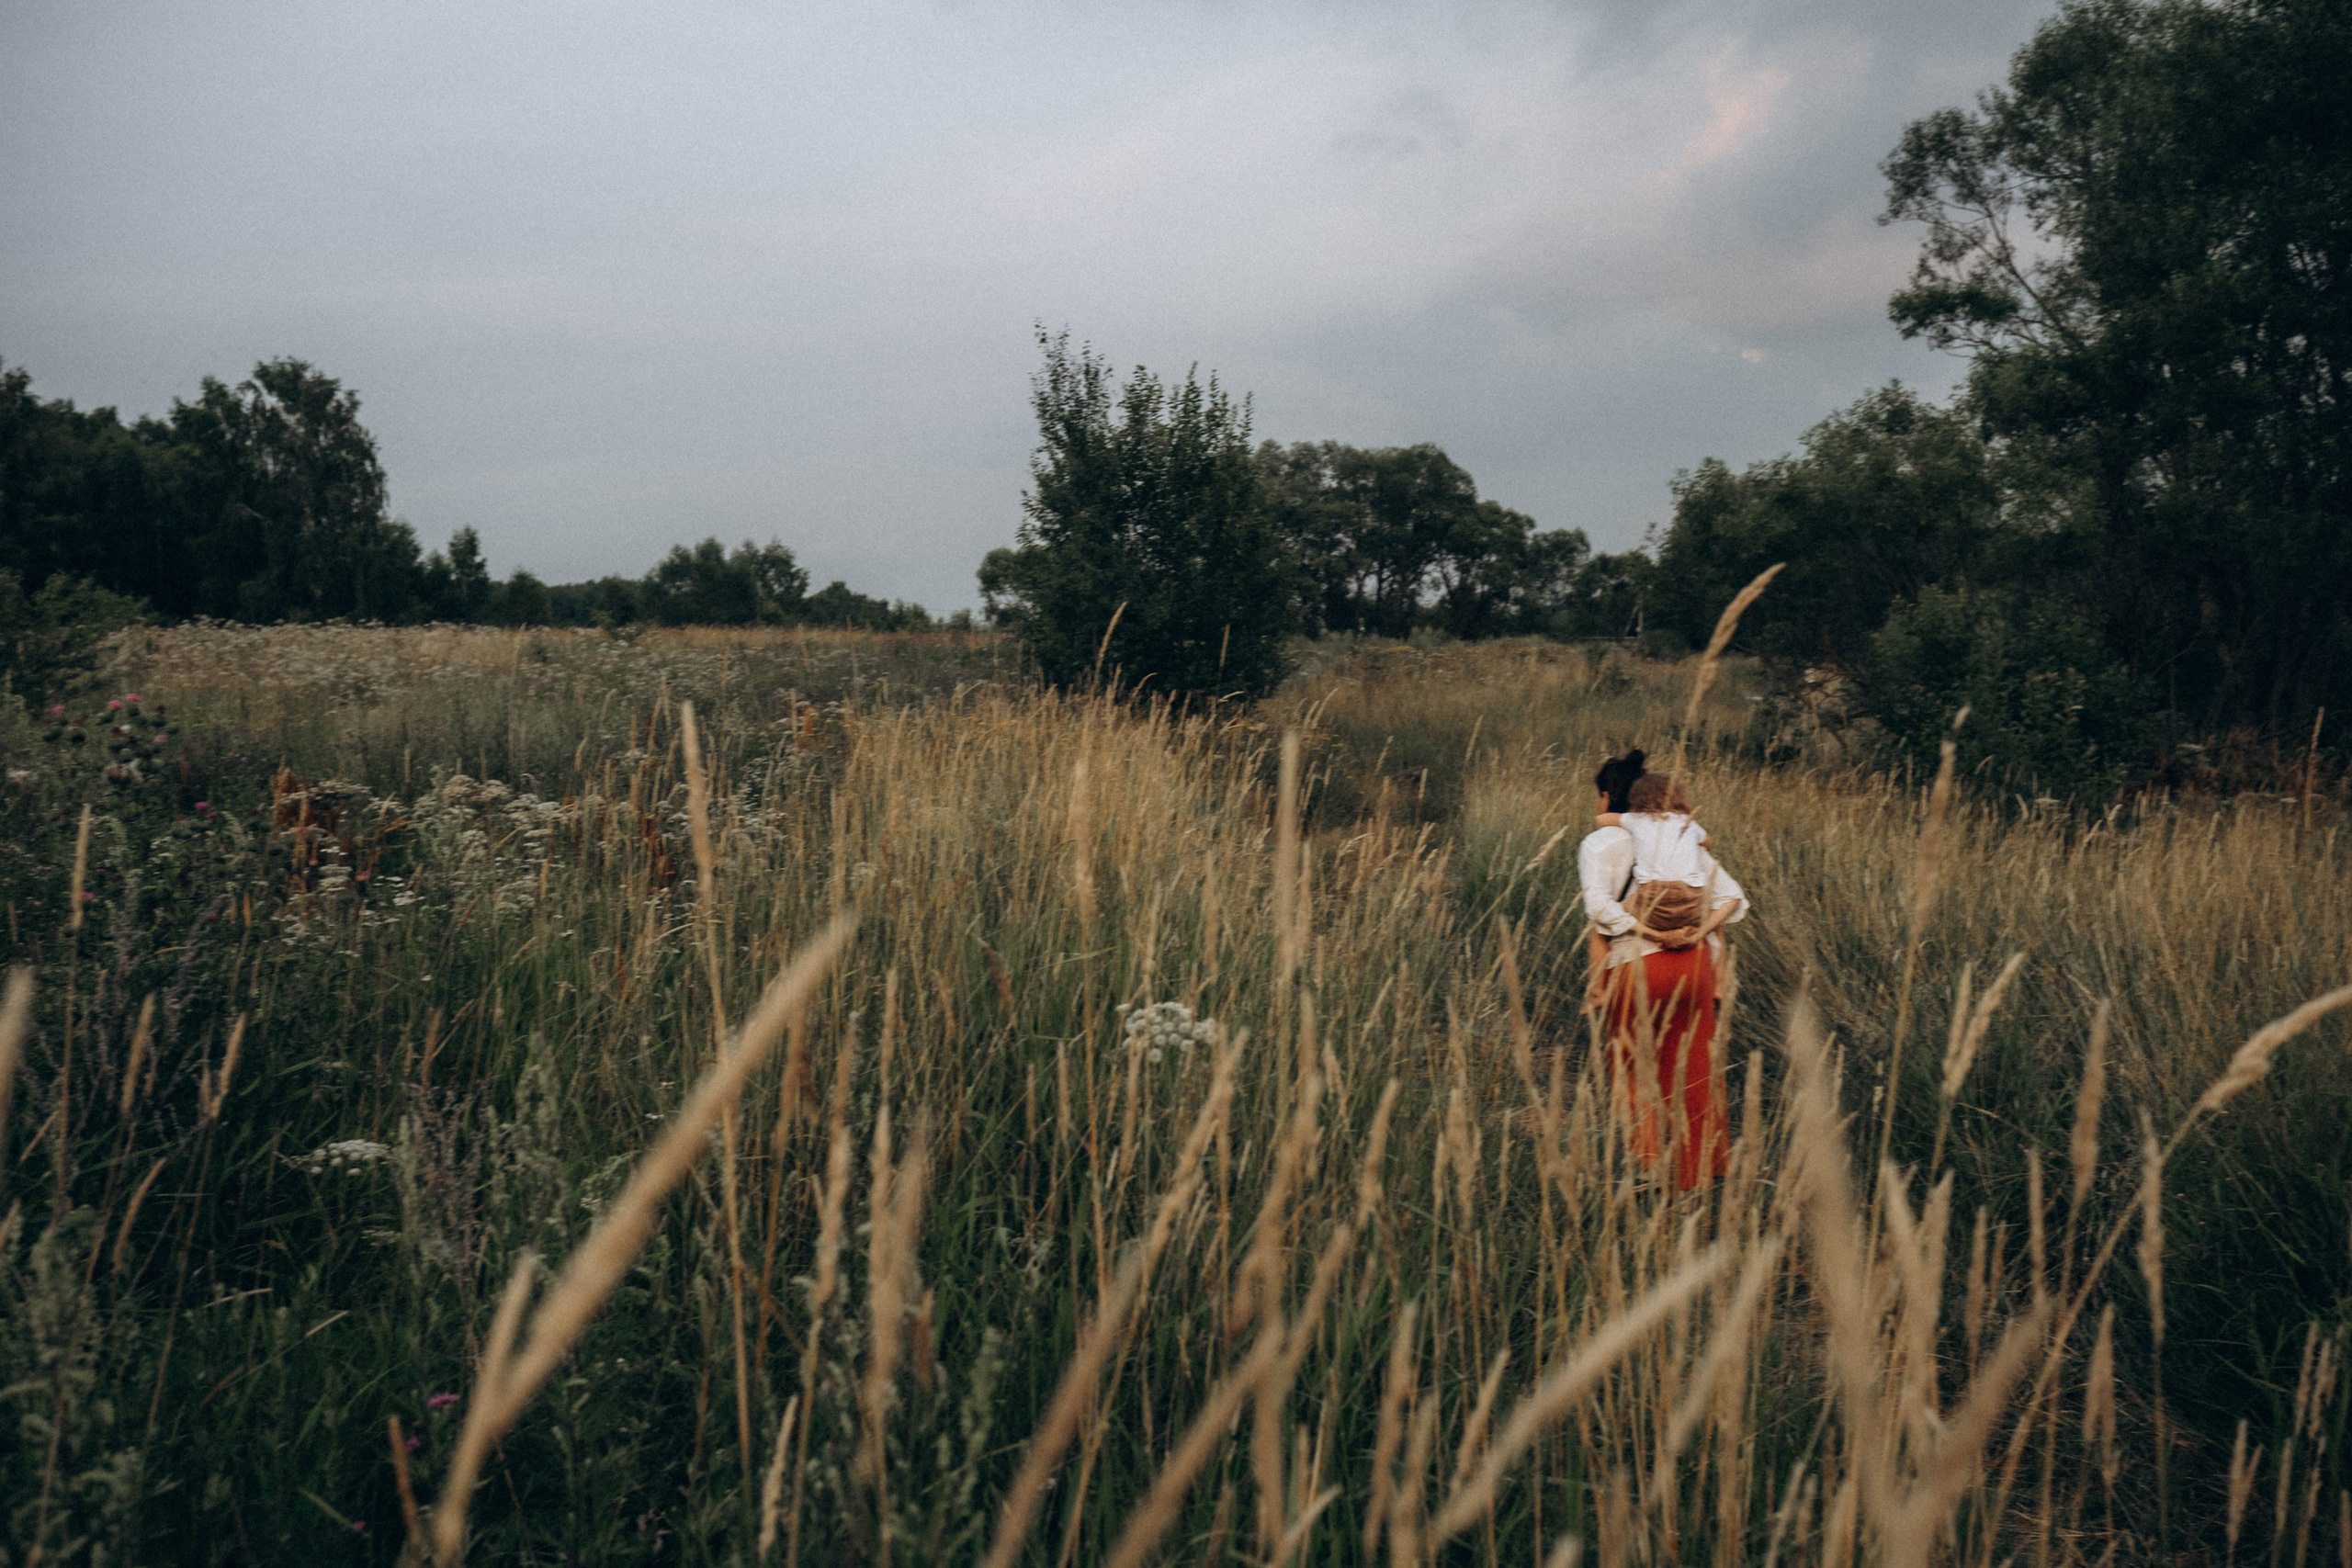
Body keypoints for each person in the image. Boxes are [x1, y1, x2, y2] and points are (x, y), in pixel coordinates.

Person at [1577, 754, 1748, 1190]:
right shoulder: (1685, 840)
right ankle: (1702, 1173)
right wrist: (1695, 936)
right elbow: (1731, 898)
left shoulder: (1601, 843)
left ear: (1605, 797)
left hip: (1636, 966)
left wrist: (1644, 929)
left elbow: (1598, 908)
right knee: (1694, 1068)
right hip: (1694, 968)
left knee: (1632, 1069)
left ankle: (1649, 1170)